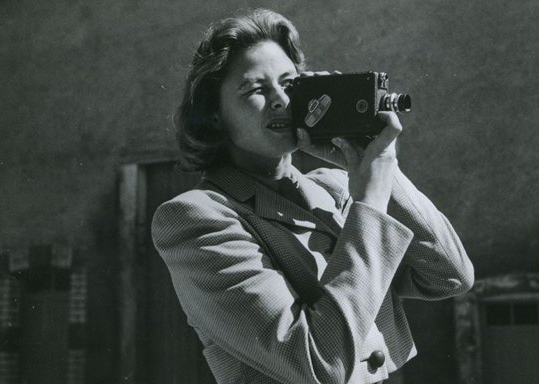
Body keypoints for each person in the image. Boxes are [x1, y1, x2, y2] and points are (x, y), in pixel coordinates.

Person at [152, 8, 474, 384]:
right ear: (215, 115)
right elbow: (321, 361)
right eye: (256, 89)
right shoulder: (197, 217)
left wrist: (380, 166)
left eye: (290, 84)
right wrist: (369, 202)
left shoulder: (335, 187)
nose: (280, 101)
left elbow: (449, 276)